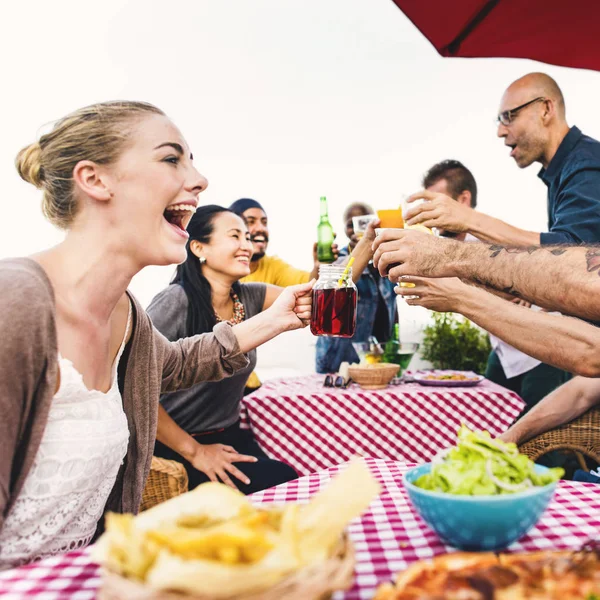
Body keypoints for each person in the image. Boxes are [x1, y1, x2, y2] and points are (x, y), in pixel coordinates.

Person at [0, 101, 313, 569]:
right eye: (172, 158)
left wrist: (276, 318)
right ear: (95, 179)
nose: (200, 179)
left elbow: (174, 365)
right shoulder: (15, 303)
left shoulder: (127, 314)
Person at [147, 205, 298, 493]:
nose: (247, 245)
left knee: (287, 480)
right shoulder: (175, 301)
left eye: (248, 237)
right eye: (235, 236)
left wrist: (367, 245)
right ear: (198, 247)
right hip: (173, 443)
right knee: (277, 484)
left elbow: (324, 296)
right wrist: (195, 452)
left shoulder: (250, 295)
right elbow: (133, 387)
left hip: (228, 434)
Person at [421, 159, 570, 410]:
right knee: (490, 418)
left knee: (542, 437)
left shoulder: (488, 239)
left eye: (436, 203)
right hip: (504, 350)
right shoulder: (443, 247)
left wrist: (525, 290)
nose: (428, 212)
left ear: (463, 200)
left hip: (541, 351)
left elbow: (536, 276)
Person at [404, 73, 600, 246]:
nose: (500, 131)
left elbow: (573, 256)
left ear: (546, 109)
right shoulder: (568, 167)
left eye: (509, 116)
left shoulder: (586, 165)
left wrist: (468, 219)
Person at [372, 230, 600, 377]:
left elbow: (591, 353)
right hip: (509, 349)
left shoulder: (483, 240)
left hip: (539, 358)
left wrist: (454, 277)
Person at [315, 203, 396, 373]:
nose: (355, 229)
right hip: (337, 359)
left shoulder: (387, 260)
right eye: (350, 225)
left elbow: (393, 307)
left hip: (377, 358)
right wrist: (366, 244)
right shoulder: (338, 258)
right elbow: (339, 281)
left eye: (363, 222)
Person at [229, 198, 338, 286]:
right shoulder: (221, 267)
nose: (261, 228)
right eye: (251, 222)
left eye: (264, 222)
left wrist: (319, 266)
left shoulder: (272, 266)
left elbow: (309, 285)